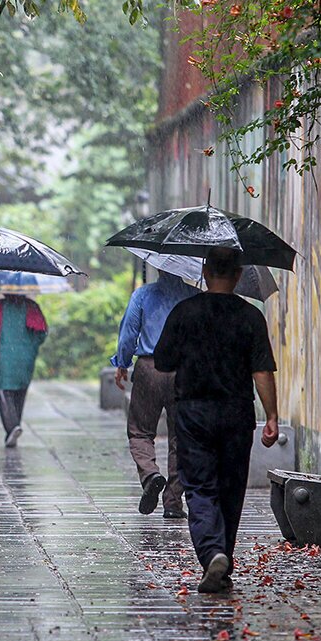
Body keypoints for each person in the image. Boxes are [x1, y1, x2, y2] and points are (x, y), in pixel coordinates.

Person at [152, 247, 279, 594]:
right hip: (238, 413)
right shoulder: (251, 317)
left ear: (205, 272)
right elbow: (262, 371)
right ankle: (222, 559)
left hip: (194, 412)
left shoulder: (185, 312)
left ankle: (212, 554)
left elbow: (162, 362)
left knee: (200, 488)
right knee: (231, 488)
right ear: (238, 276)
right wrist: (271, 416)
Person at [111, 270, 200, 518]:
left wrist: (121, 363)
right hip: (183, 371)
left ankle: (150, 474)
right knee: (181, 436)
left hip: (150, 368)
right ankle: (173, 502)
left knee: (140, 431)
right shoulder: (194, 297)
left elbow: (129, 333)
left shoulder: (143, 295)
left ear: (160, 267)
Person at [0, 293, 48, 447]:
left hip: (4, 357)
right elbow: (42, 332)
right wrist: (30, 346)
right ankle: (15, 425)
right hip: (25, 357)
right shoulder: (31, 307)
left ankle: (12, 427)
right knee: (20, 392)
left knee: (5, 393)